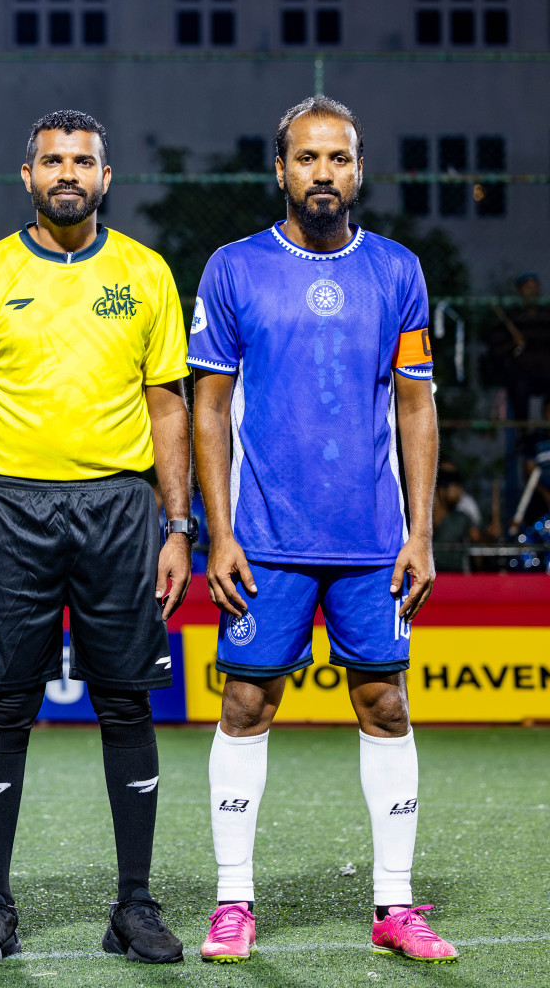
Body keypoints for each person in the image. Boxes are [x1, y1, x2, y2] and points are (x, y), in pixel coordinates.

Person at [189, 96, 456, 963]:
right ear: (281, 171)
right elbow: (210, 408)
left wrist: (419, 533)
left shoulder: (398, 271)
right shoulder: (232, 269)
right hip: (263, 540)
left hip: (373, 541)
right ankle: (234, 901)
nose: (323, 174)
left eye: (338, 159)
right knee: (246, 703)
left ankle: (395, 906)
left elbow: (416, 407)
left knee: (385, 703)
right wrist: (216, 533)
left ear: (359, 170)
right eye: (307, 159)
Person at [0, 110, 192, 965]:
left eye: (82, 160)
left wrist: (179, 524)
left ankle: (135, 906)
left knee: (125, 700)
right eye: (52, 160)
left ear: (106, 177)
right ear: (27, 176)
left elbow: (168, 405)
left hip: (122, 512)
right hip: (12, 510)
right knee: (5, 704)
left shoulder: (146, 272)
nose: (67, 173)